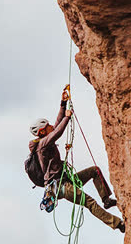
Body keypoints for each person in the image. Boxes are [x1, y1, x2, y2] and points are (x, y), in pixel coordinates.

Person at [28, 88, 125, 233]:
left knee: (94, 171)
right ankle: (118, 224)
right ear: (42, 132)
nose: (51, 127)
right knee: (90, 202)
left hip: (65, 180)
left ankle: (106, 200)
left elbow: (56, 125)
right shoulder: (42, 145)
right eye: (47, 127)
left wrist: (63, 104)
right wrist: (67, 117)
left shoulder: (44, 141)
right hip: (60, 186)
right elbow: (58, 131)